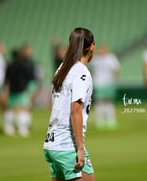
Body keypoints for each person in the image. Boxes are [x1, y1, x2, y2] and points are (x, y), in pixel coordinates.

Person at [43, 27, 95, 181]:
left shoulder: (62, 68)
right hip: (67, 146)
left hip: (51, 144)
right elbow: (75, 110)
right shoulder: (81, 72)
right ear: (91, 46)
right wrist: (80, 148)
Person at [2, 44, 38, 137]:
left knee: (10, 109)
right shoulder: (23, 65)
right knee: (23, 109)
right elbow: (30, 77)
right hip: (22, 90)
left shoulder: (9, 66)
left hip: (12, 90)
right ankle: (23, 129)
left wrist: (5, 90)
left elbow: (6, 80)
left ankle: (8, 128)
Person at [90, 44, 120, 130]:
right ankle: (100, 122)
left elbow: (116, 69)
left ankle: (111, 121)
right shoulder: (96, 59)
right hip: (99, 83)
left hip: (108, 83)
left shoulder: (111, 58)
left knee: (108, 101)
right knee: (100, 102)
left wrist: (115, 80)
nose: (102, 51)